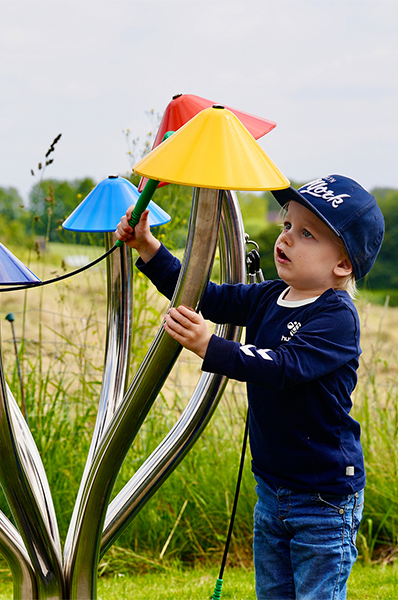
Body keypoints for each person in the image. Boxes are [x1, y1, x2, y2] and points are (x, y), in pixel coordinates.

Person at [115, 175, 384, 600]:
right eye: (287, 226)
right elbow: (207, 296)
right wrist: (149, 248)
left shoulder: (336, 317)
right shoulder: (269, 296)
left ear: (343, 264)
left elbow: (283, 367)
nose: (288, 239)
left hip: (325, 498)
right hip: (272, 487)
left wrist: (211, 345)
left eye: (307, 233)